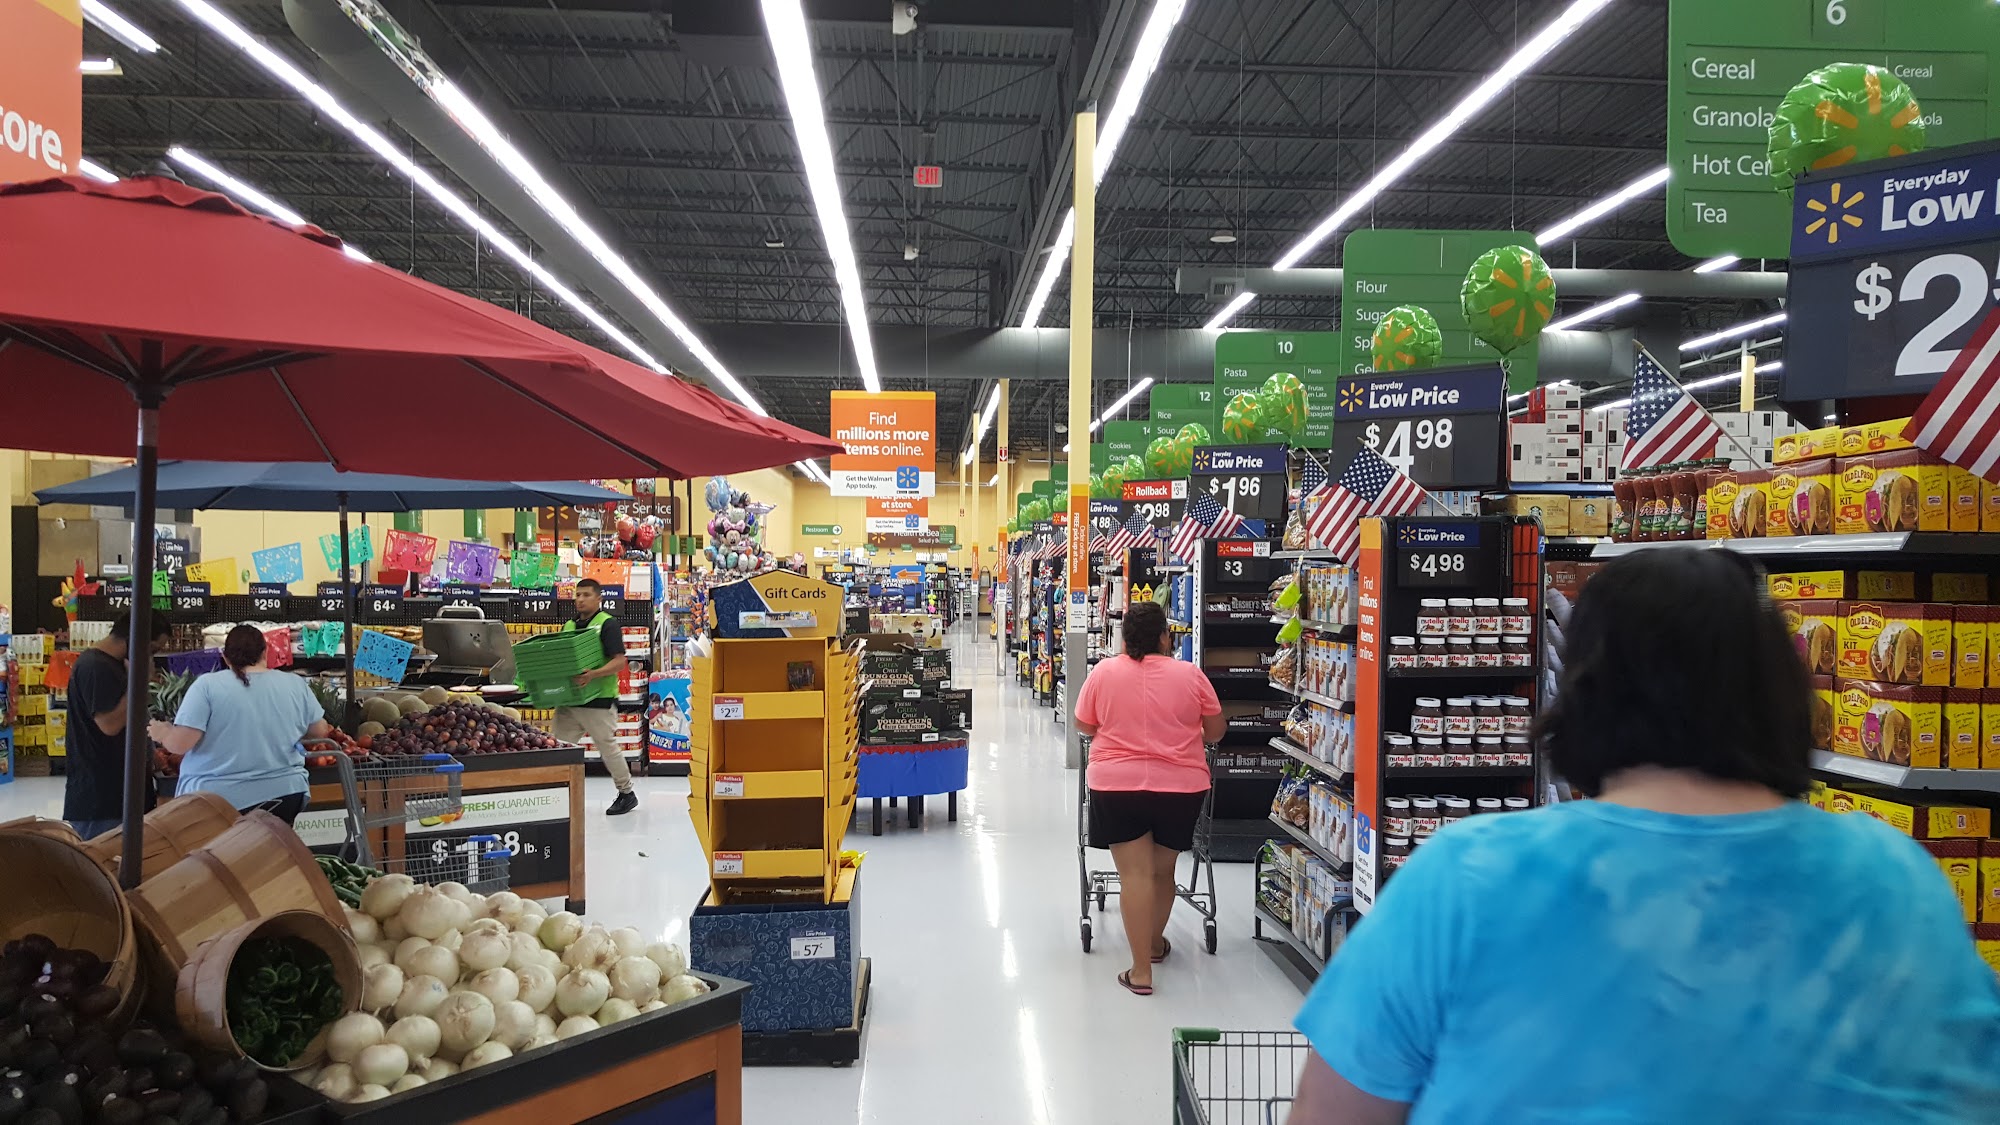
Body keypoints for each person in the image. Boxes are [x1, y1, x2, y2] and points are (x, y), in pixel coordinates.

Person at [1288, 549, 2000, 1124]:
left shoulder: (1466, 878)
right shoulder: (1896, 883)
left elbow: (1332, 1113)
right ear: (1782, 690)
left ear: (1583, 689)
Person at [1071, 600, 1224, 996]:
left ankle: (1141, 971)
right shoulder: (1190, 675)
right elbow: (1215, 731)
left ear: (1124, 639)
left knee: (1135, 876)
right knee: (1162, 872)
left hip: (1117, 786)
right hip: (1181, 787)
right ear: (1164, 638)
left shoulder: (1104, 673)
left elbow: (1084, 724)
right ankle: (1155, 944)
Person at [146, 625, 331, 825]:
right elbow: (320, 730)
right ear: (265, 652)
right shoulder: (294, 683)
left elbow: (180, 744)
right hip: (286, 793)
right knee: (272, 845)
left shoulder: (207, 686)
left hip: (218, 801)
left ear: (225, 657)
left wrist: (163, 732)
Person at [63, 612, 171, 839]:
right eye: (151, 650)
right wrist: (140, 681)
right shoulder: (96, 667)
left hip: (122, 795)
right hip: (103, 801)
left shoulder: (115, 665)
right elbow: (110, 724)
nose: (151, 659)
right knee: (104, 861)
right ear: (136, 640)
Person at [560, 578, 637, 815]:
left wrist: (593, 674)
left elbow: (620, 661)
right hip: (570, 700)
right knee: (558, 747)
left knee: (607, 748)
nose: (580, 599)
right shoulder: (569, 625)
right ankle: (558, 793)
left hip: (599, 700)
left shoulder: (607, 624)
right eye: (577, 595)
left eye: (586, 595)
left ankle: (627, 793)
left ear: (599, 598)